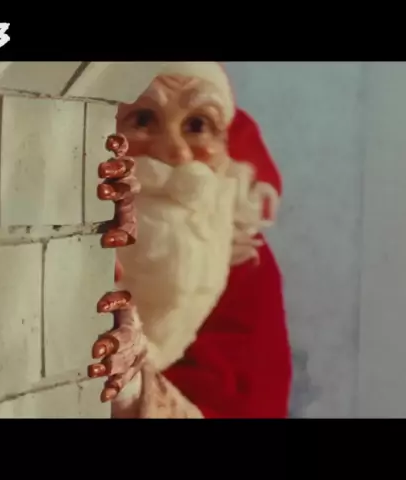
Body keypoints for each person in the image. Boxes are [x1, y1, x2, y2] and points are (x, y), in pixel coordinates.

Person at [86, 62, 292, 418]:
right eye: (143, 120)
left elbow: (249, 403)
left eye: (197, 126)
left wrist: (139, 395)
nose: (176, 152)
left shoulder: (242, 260)